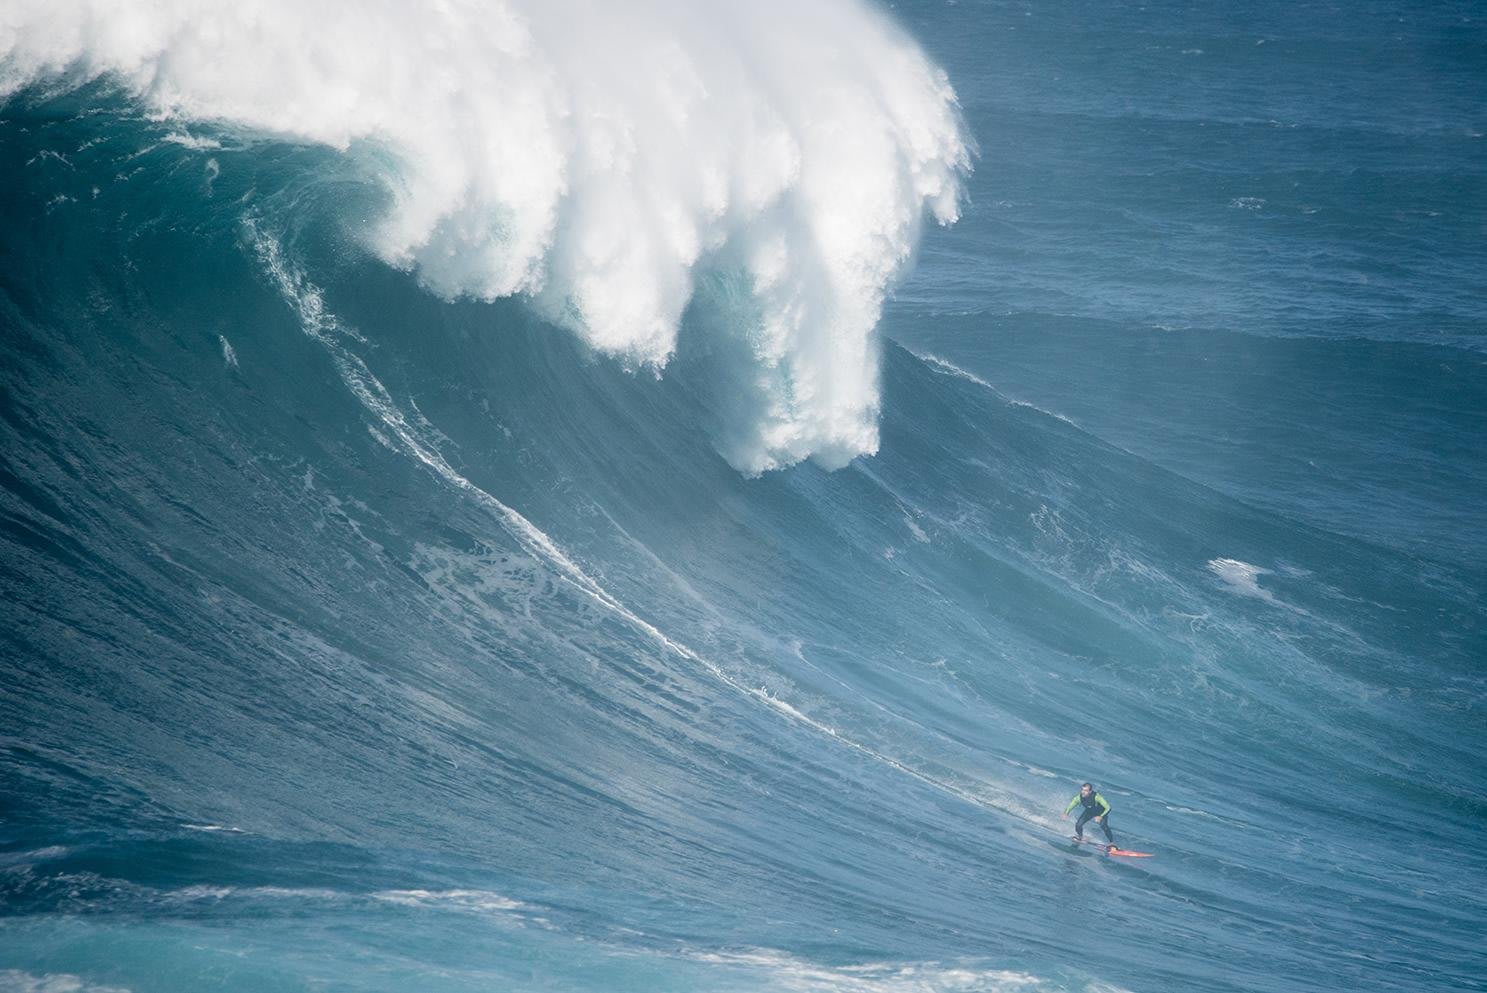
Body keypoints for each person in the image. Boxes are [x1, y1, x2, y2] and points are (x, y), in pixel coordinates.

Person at [1063, 782, 1116, 850]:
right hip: (1089, 812)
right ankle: (1080, 836)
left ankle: (1111, 842)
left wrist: (1101, 816)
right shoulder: (1078, 797)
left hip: (1100, 813)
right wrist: (1066, 813)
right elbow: (1071, 805)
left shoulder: (1097, 797)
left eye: (1085, 790)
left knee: (1104, 826)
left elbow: (1108, 807)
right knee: (1078, 825)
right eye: (1082, 790)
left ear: (1090, 791)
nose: (1083, 792)